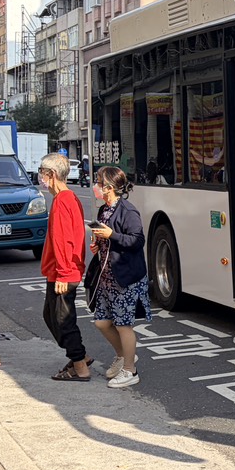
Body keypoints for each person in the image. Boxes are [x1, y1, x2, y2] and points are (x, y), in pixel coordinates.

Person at [89, 166, 149, 388]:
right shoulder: (104, 209)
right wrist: (99, 243)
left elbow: (137, 240)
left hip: (126, 277)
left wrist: (111, 235)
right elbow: (108, 239)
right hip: (107, 277)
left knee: (124, 325)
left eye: (98, 182)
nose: (95, 186)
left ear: (109, 187)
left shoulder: (128, 211)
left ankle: (130, 370)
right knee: (102, 322)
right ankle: (124, 355)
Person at [38, 153, 91, 381]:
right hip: (64, 270)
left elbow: (63, 241)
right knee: (52, 316)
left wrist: (62, 273)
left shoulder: (62, 201)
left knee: (62, 320)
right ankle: (81, 356)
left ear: (51, 175)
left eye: (42, 173)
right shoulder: (70, 198)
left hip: (64, 272)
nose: (40, 177)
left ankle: (80, 365)